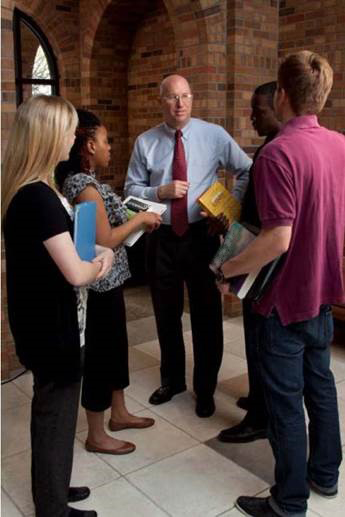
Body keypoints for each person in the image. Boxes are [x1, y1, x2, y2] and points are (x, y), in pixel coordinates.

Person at [216, 51, 345, 516]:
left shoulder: (276, 153)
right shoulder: (341, 145)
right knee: (321, 386)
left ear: (283, 94)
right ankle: (325, 476)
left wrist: (226, 271)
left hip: (282, 300)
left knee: (286, 402)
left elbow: (277, 238)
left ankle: (289, 501)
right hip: (323, 293)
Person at [2, 95, 114, 517]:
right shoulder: (38, 199)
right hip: (51, 328)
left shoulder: (34, 191)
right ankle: (52, 507)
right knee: (55, 417)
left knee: (58, 415)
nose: (74, 137)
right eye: (68, 129)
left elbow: (60, 252)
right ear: (49, 136)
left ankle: (54, 487)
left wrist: (88, 250)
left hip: (44, 322)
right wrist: (102, 261)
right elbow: (76, 273)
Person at [125, 74, 252, 417]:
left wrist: (227, 208)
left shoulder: (214, 135)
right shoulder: (146, 142)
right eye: (171, 97)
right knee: (166, 313)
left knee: (206, 316)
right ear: (161, 101)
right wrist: (158, 192)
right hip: (161, 238)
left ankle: (205, 388)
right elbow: (130, 189)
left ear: (192, 99)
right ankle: (172, 380)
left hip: (201, 236)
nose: (179, 103)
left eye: (185, 96)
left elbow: (246, 169)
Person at [55, 109, 162, 455]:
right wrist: (141, 219)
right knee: (101, 356)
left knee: (116, 349)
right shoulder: (83, 187)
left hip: (110, 281)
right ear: (88, 146)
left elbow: (92, 239)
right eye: (105, 141)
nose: (110, 148)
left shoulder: (90, 183)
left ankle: (119, 413)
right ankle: (97, 433)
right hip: (98, 285)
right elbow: (102, 239)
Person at [218, 81, 282, 444]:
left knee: (261, 341)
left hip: (263, 261)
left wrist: (233, 264)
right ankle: (259, 399)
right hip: (256, 254)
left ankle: (261, 416)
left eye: (258, 110)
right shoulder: (267, 148)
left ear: (280, 106)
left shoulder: (276, 153)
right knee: (254, 339)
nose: (252, 117)